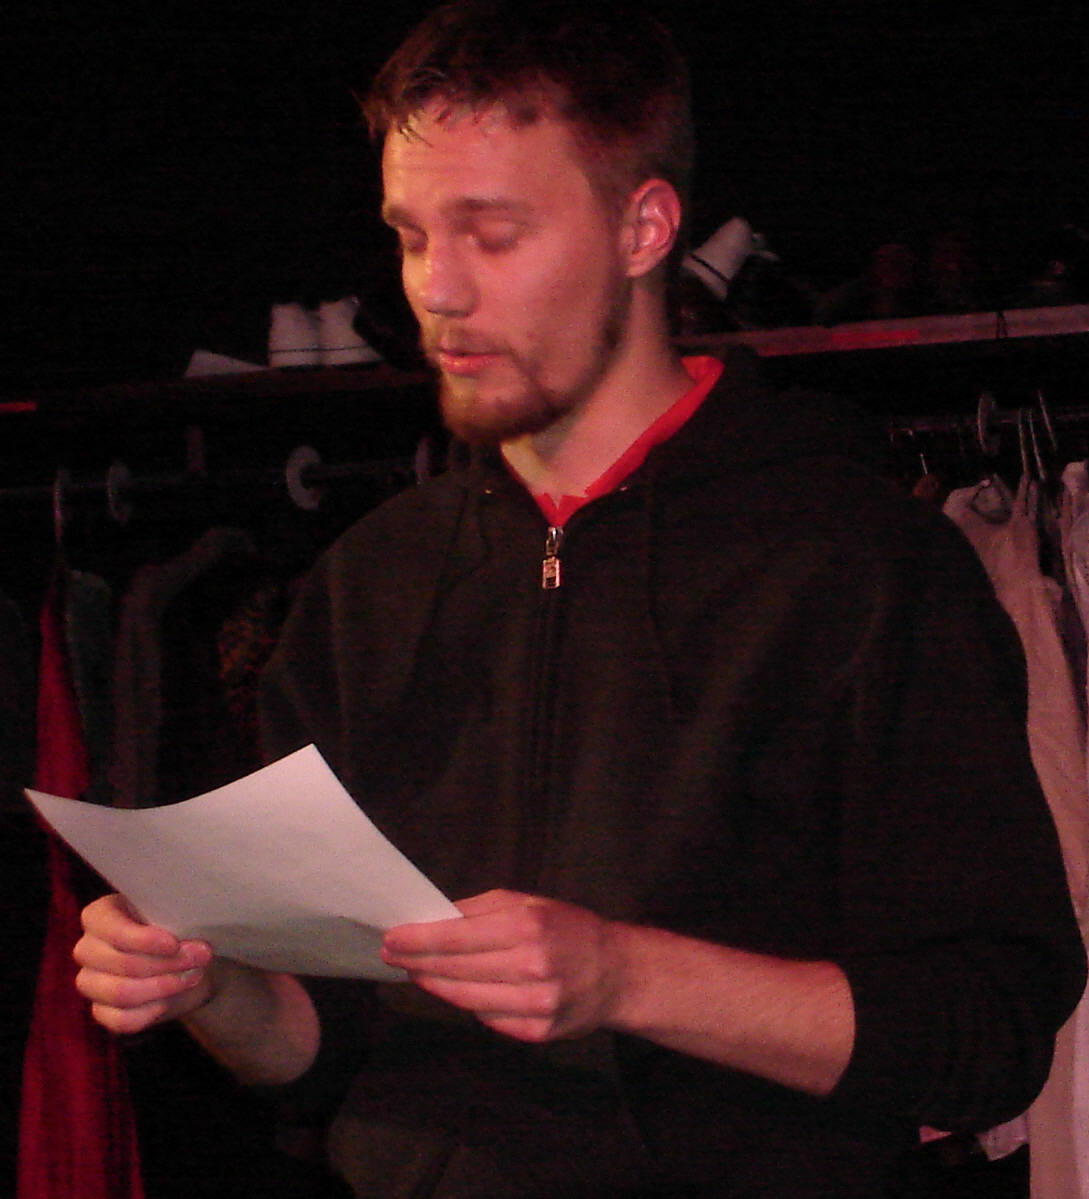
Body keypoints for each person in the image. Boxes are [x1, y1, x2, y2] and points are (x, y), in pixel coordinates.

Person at [74, 3, 1086, 1195]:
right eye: (410, 235)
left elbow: (985, 1031)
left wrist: (625, 975)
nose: (436, 288)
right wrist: (211, 986)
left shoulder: (861, 564)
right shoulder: (368, 581)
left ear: (643, 227)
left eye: (492, 233)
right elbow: (326, 1047)